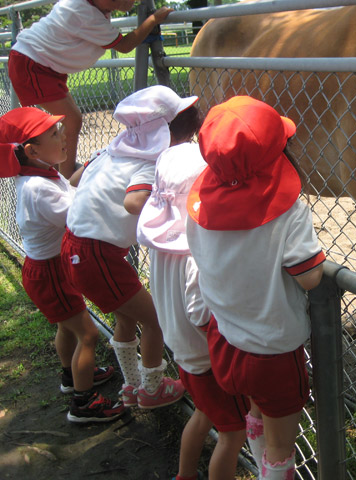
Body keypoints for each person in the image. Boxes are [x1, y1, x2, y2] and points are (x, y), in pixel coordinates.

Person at [186, 96, 326, 480]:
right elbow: (309, 276)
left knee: (256, 414)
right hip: (272, 352)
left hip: (226, 341)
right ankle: (272, 469)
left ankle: (261, 459)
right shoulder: (289, 214)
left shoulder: (200, 209)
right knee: (284, 450)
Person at [61, 85, 199, 410]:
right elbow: (134, 201)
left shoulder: (110, 152)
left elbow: (74, 179)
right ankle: (152, 390)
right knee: (155, 320)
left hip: (77, 247)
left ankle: (132, 385)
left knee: (126, 318)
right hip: (97, 256)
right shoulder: (150, 164)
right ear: (168, 137)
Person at [0, 107, 123, 423]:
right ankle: (83, 403)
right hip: (50, 272)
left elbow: (69, 188)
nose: (65, 134)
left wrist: (91, 166)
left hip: (50, 268)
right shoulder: (38, 189)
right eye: (54, 134)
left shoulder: (41, 173)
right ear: (32, 150)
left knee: (67, 326)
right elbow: (78, 213)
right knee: (89, 335)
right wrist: (106, 183)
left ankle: (72, 376)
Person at [137, 142, 249, 480]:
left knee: (202, 415)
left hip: (184, 355)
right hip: (207, 363)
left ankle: (184, 475)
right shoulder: (194, 252)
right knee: (233, 434)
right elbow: (201, 314)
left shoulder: (163, 241)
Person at [7, 0, 174, 179]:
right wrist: (153, 19)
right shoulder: (83, 12)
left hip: (43, 64)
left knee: (67, 122)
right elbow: (125, 45)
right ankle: (66, 177)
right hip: (33, 64)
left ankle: (58, 171)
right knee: (71, 120)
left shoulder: (90, 8)